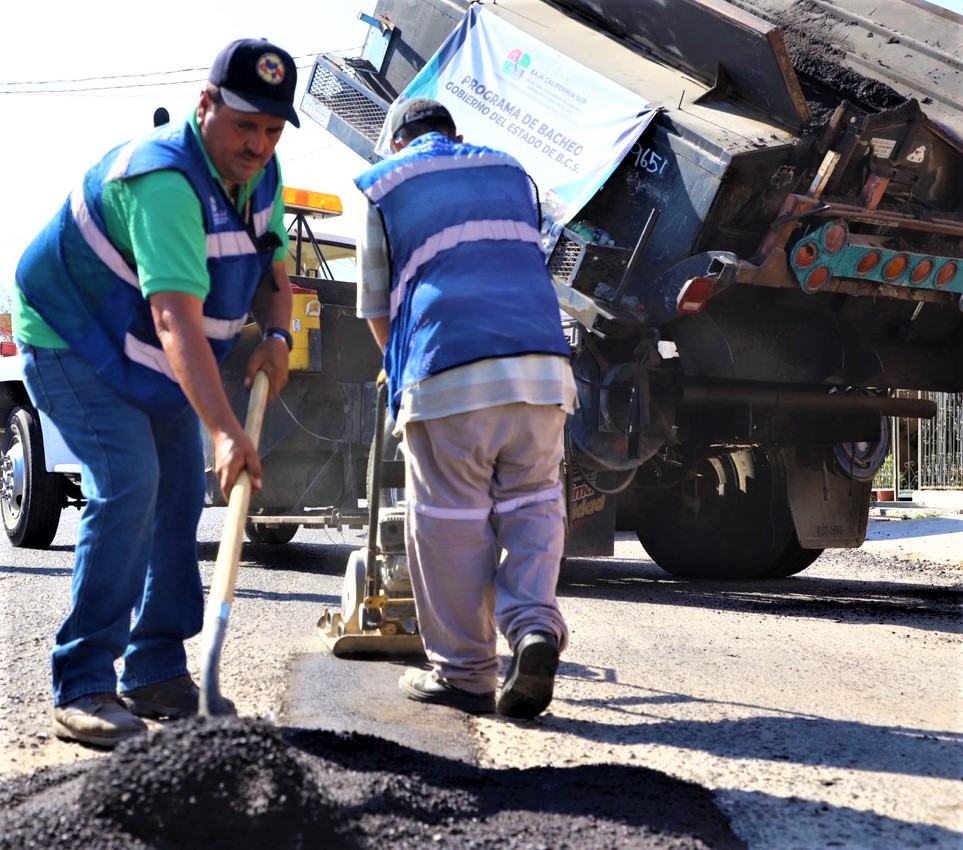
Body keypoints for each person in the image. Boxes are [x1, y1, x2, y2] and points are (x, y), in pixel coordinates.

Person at [13, 38, 300, 748]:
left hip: (147, 356)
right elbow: (175, 319)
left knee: (178, 494)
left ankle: (156, 670)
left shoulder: (262, 176)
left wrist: (277, 334)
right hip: (72, 337)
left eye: (271, 130)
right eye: (244, 125)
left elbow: (273, 268)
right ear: (205, 105)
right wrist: (226, 431)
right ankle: (83, 682)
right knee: (130, 482)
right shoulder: (164, 181)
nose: (258, 145)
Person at [355, 98, 577, 719]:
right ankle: (533, 627)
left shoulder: (385, 185)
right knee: (533, 504)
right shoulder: (510, 170)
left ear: (396, 143)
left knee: (450, 523)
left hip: (449, 369)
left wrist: (400, 371)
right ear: (456, 134)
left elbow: (375, 306)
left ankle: (466, 674)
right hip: (543, 368)